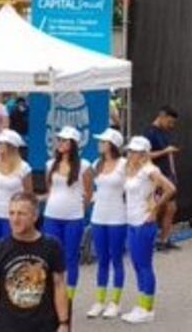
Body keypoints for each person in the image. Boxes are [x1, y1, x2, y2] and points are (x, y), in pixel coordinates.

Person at [0, 192, 70, 332]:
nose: (15, 219)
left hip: (44, 327)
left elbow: (59, 286)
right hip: (7, 327)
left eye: (21, 214)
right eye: (12, 213)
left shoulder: (52, 247)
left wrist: (64, 323)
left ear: (34, 216)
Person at [121, 136, 177, 324]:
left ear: (143, 154)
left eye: (134, 152)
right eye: (129, 151)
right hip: (132, 220)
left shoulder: (149, 170)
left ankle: (147, 308)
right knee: (136, 264)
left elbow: (169, 188)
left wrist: (155, 209)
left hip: (144, 222)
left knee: (144, 265)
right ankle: (142, 302)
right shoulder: (132, 169)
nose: (130, 154)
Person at [43, 125, 94, 301]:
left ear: (73, 144)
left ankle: (68, 296)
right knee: (50, 255)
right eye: (60, 139)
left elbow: (88, 192)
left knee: (71, 256)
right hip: (51, 216)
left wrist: (80, 210)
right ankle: (51, 294)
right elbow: (50, 188)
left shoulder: (84, 166)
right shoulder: (50, 164)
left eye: (64, 140)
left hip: (73, 218)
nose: (60, 143)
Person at [88, 128, 128, 319]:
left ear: (111, 144)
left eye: (103, 141)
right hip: (98, 216)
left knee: (116, 259)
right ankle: (100, 300)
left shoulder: (124, 164)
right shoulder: (97, 163)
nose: (99, 144)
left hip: (117, 216)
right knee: (102, 259)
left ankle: (115, 302)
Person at [0, 130, 32, 251]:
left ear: (9, 146)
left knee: (9, 251)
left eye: (0, 143)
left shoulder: (24, 168)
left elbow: (28, 195)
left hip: (12, 216)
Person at [144, 106, 180, 251]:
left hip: (167, 174)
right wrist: (165, 151)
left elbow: (169, 153)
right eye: (169, 122)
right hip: (156, 176)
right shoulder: (149, 133)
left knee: (171, 208)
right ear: (162, 116)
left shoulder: (165, 133)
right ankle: (149, 240)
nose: (171, 126)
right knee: (156, 208)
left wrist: (173, 172)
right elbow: (144, 156)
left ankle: (164, 239)